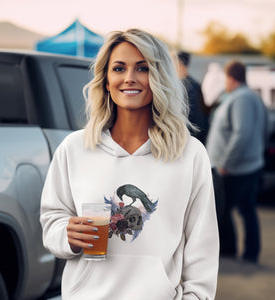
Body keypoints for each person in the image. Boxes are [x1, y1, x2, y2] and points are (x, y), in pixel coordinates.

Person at [40, 29, 219, 300]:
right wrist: (66, 235)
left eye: (143, 68)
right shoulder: (74, 148)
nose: (129, 78)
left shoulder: (190, 154)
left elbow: (203, 246)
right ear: (106, 80)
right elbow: (52, 219)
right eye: (119, 68)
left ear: (159, 76)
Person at [206, 60, 267, 264]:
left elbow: (242, 134)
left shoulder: (242, 99)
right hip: (246, 166)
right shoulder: (249, 97)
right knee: (244, 209)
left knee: (222, 210)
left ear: (231, 78)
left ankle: (231, 251)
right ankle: (248, 253)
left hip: (235, 169)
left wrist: (225, 163)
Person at [172, 50, 209, 144]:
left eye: (171, 61)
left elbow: (195, 120)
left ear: (179, 63)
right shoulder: (180, 84)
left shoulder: (190, 87)